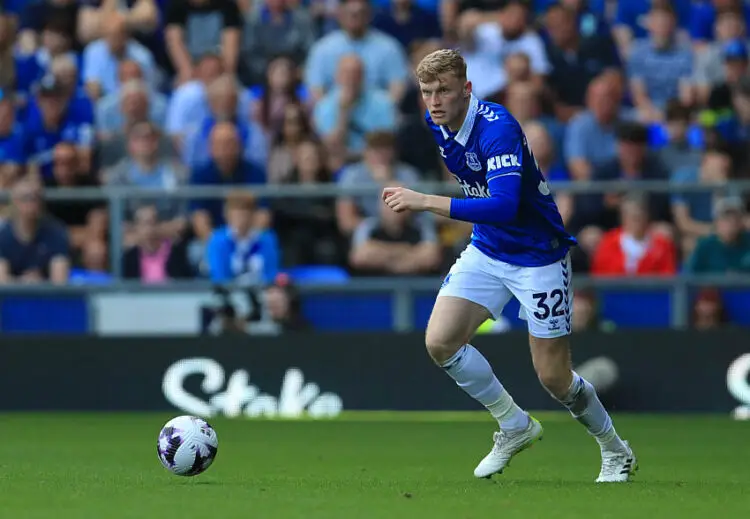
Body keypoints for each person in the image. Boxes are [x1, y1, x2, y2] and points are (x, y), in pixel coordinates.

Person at [381, 49, 636, 483]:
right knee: (440, 342)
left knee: (554, 379)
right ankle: (514, 424)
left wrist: (425, 201)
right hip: (488, 249)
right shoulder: (437, 124)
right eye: (427, 92)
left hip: (538, 255)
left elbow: (502, 205)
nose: (434, 101)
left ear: (467, 89)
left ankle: (616, 450)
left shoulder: (497, 129)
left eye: (443, 90)